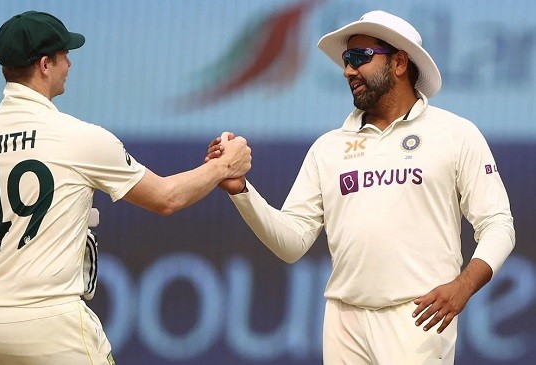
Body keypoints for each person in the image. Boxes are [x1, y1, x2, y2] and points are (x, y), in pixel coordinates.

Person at [0, 10, 251, 365]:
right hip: (53, 327)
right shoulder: (79, 138)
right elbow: (166, 198)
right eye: (64, 54)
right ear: (44, 65)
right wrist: (223, 166)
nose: (70, 63)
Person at [206, 10, 514, 364]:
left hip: (417, 317)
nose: (347, 70)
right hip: (343, 321)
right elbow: (291, 243)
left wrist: (463, 287)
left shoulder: (456, 134)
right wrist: (241, 190)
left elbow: (498, 224)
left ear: (399, 62)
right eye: (345, 60)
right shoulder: (328, 147)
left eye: (358, 57)